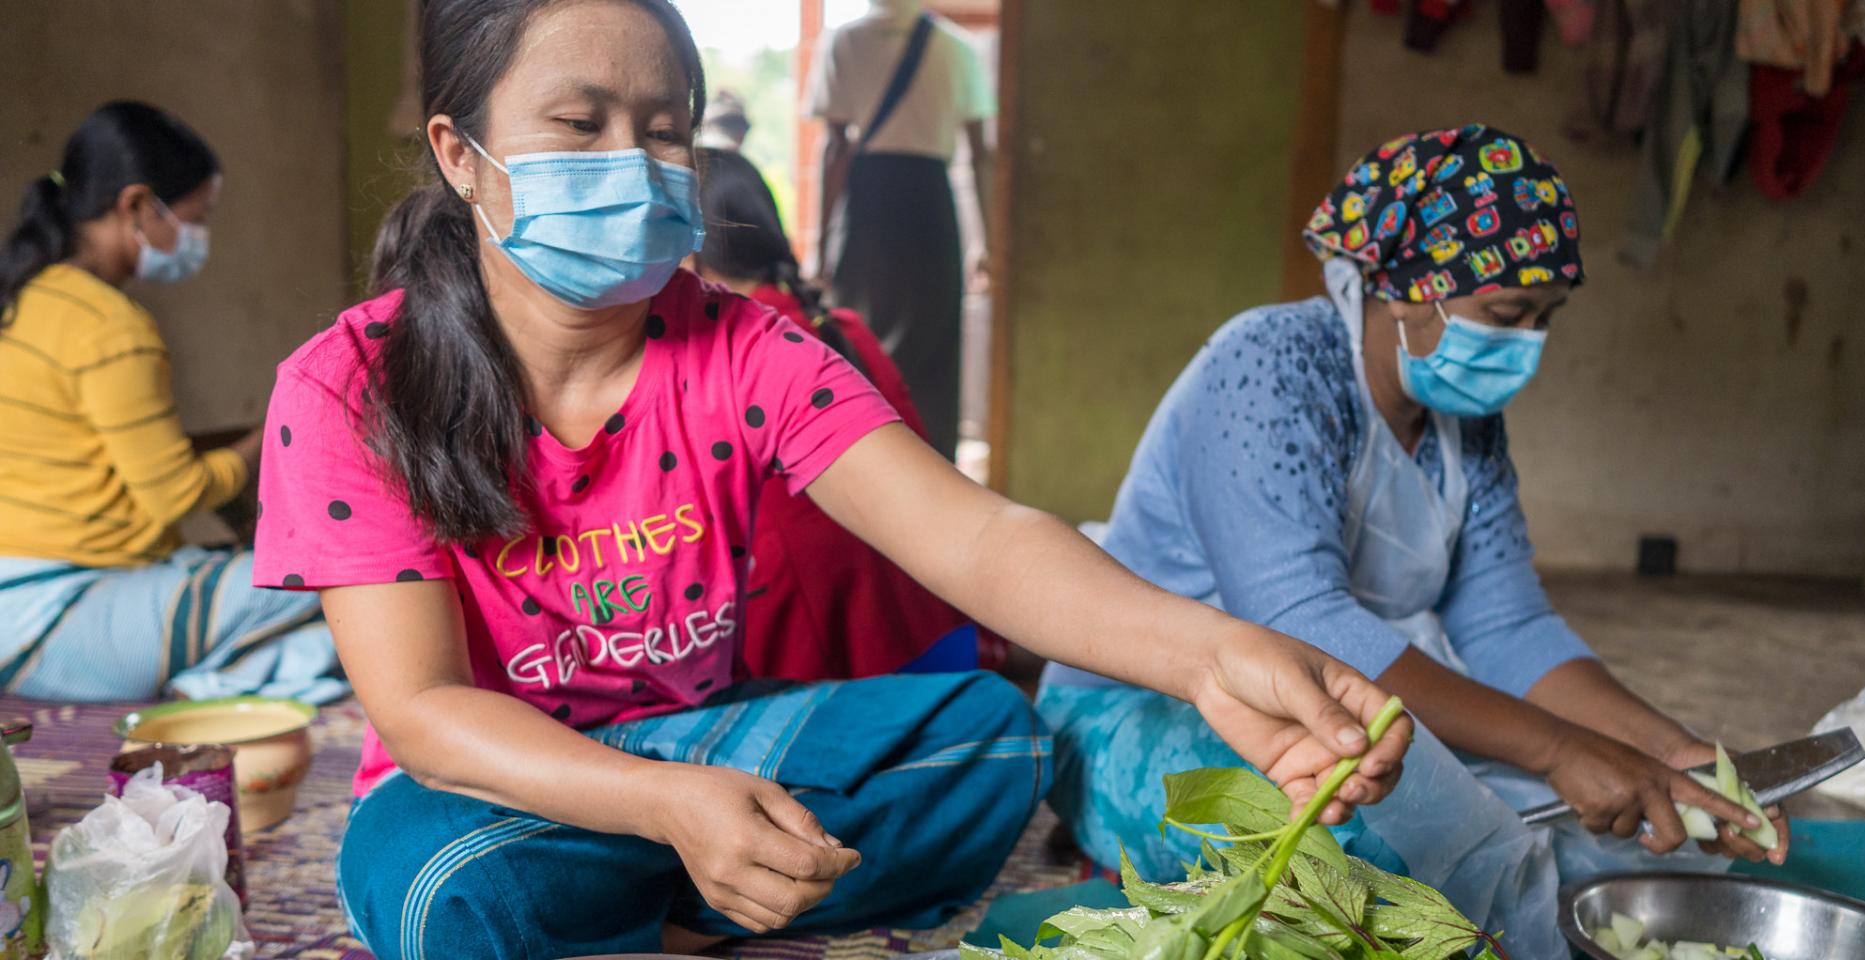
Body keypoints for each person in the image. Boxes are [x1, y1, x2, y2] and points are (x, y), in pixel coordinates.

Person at [254, 3, 1412, 958]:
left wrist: (1208, 654)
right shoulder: (352, 385)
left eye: (665, 130)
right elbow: (425, 713)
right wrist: (660, 807)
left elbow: (981, 542)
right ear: (463, 155)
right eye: (579, 123)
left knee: (991, 735)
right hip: (497, 785)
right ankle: (686, 880)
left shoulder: (745, 349)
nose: (634, 163)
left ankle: (665, 893)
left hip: (706, 741)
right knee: (442, 890)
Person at [1037, 126, 1793, 960]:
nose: (1526, 347)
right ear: (1405, 289)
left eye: (1545, 319)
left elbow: (1508, 624)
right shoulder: (1268, 366)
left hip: (1355, 715)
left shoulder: (1468, 429)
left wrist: (1664, 747)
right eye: (1506, 316)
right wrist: (1559, 748)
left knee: (1620, 837)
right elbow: (1302, 625)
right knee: (1368, 874)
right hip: (1149, 707)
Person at [0, 101, 342, 704]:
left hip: (18, 607)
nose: (197, 237)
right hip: (59, 622)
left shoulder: (24, 299)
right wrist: (270, 435)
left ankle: (220, 679)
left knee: (260, 588)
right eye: (195, 217)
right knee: (337, 561)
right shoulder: (108, 325)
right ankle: (228, 679)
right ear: (136, 205)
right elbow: (175, 494)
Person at [689, 146, 985, 679]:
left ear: (688, 251)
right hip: (938, 635)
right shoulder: (843, 328)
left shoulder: (723, 360)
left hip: (839, 675)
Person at [807, 0, 993, 461]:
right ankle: (933, 467)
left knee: (861, 340)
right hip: (931, 205)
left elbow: (834, 150)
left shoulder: (844, 42)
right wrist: (986, 241)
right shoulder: (957, 47)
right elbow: (981, 153)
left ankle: (862, 464)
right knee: (934, 349)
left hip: (869, 203)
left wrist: (822, 244)